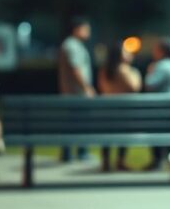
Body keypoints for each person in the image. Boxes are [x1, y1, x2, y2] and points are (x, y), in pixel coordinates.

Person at [96, 41, 142, 171]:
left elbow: (102, 88)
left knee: (106, 133)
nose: (128, 54)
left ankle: (105, 161)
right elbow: (135, 87)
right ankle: (120, 161)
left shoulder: (104, 70)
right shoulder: (124, 69)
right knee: (124, 131)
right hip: (123, 111)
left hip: (107, 110)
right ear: (120, 55)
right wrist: (135, 73)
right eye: (125, 51)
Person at [57, 16, 95, 162]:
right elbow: (75, 69)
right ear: (77, 29)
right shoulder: (72, 45)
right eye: (86, 29)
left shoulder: (73, 45)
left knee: (73, 124)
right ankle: (78, 153)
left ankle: (72, 153)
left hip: (73, 93)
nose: (88, 32)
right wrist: (87, 88)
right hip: (75, 94)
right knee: (77, 124)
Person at [143, 38, 170, 170]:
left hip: (161, 107)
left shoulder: (161, 66)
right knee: (169, 132)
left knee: (156, 129)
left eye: (155, 50)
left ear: (161, 51)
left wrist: (150, 71)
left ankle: (157, 160)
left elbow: (150, 84)